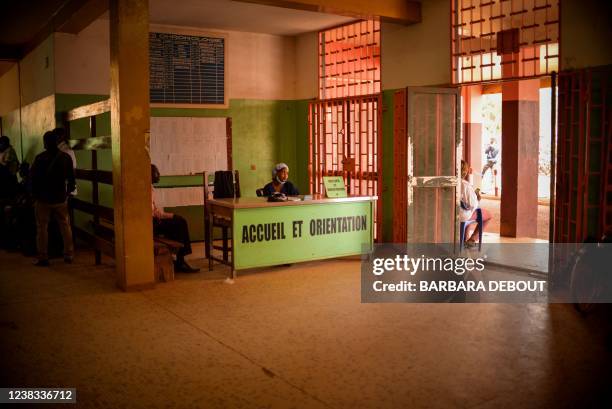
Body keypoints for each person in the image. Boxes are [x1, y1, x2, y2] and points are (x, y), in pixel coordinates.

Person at [30, 131, 76, 266]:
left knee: (42, 229)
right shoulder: (65, 158)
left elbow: (33, 179)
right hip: (60, 198)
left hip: (43, 199)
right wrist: (67, 194)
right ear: (57, 142)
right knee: (65, 227)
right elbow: (72, 180)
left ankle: (43, 257)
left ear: (45, 143)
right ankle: (69, 255)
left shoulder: (39, 158)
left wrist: (34, 195)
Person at [151, 164, 199, 273]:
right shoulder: (147, 189)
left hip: (153, 221)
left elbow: (155, 210)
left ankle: (179, 259)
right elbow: (153, 213)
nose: (158, 175)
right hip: (152, 223)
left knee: (179, 222)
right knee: (180, 223)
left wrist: (170, 215)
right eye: (156, 173)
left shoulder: (150, 188)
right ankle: (180, 261)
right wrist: (169, 216)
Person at [460, 160, 492, 247]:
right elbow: (473, 204)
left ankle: (464, 239)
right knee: (488, 215)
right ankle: (472, 239)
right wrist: (477, 198)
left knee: (467, 211)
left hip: (448, 213)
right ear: (465, 172)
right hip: (461, 215)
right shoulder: (465, 185)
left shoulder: (449, 183)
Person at [54, 128, 77, 196]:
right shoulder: (62, 149)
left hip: (66, 188)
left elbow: (72, 170)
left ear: (60, 137)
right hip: (65, 188)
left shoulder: (66, 150)